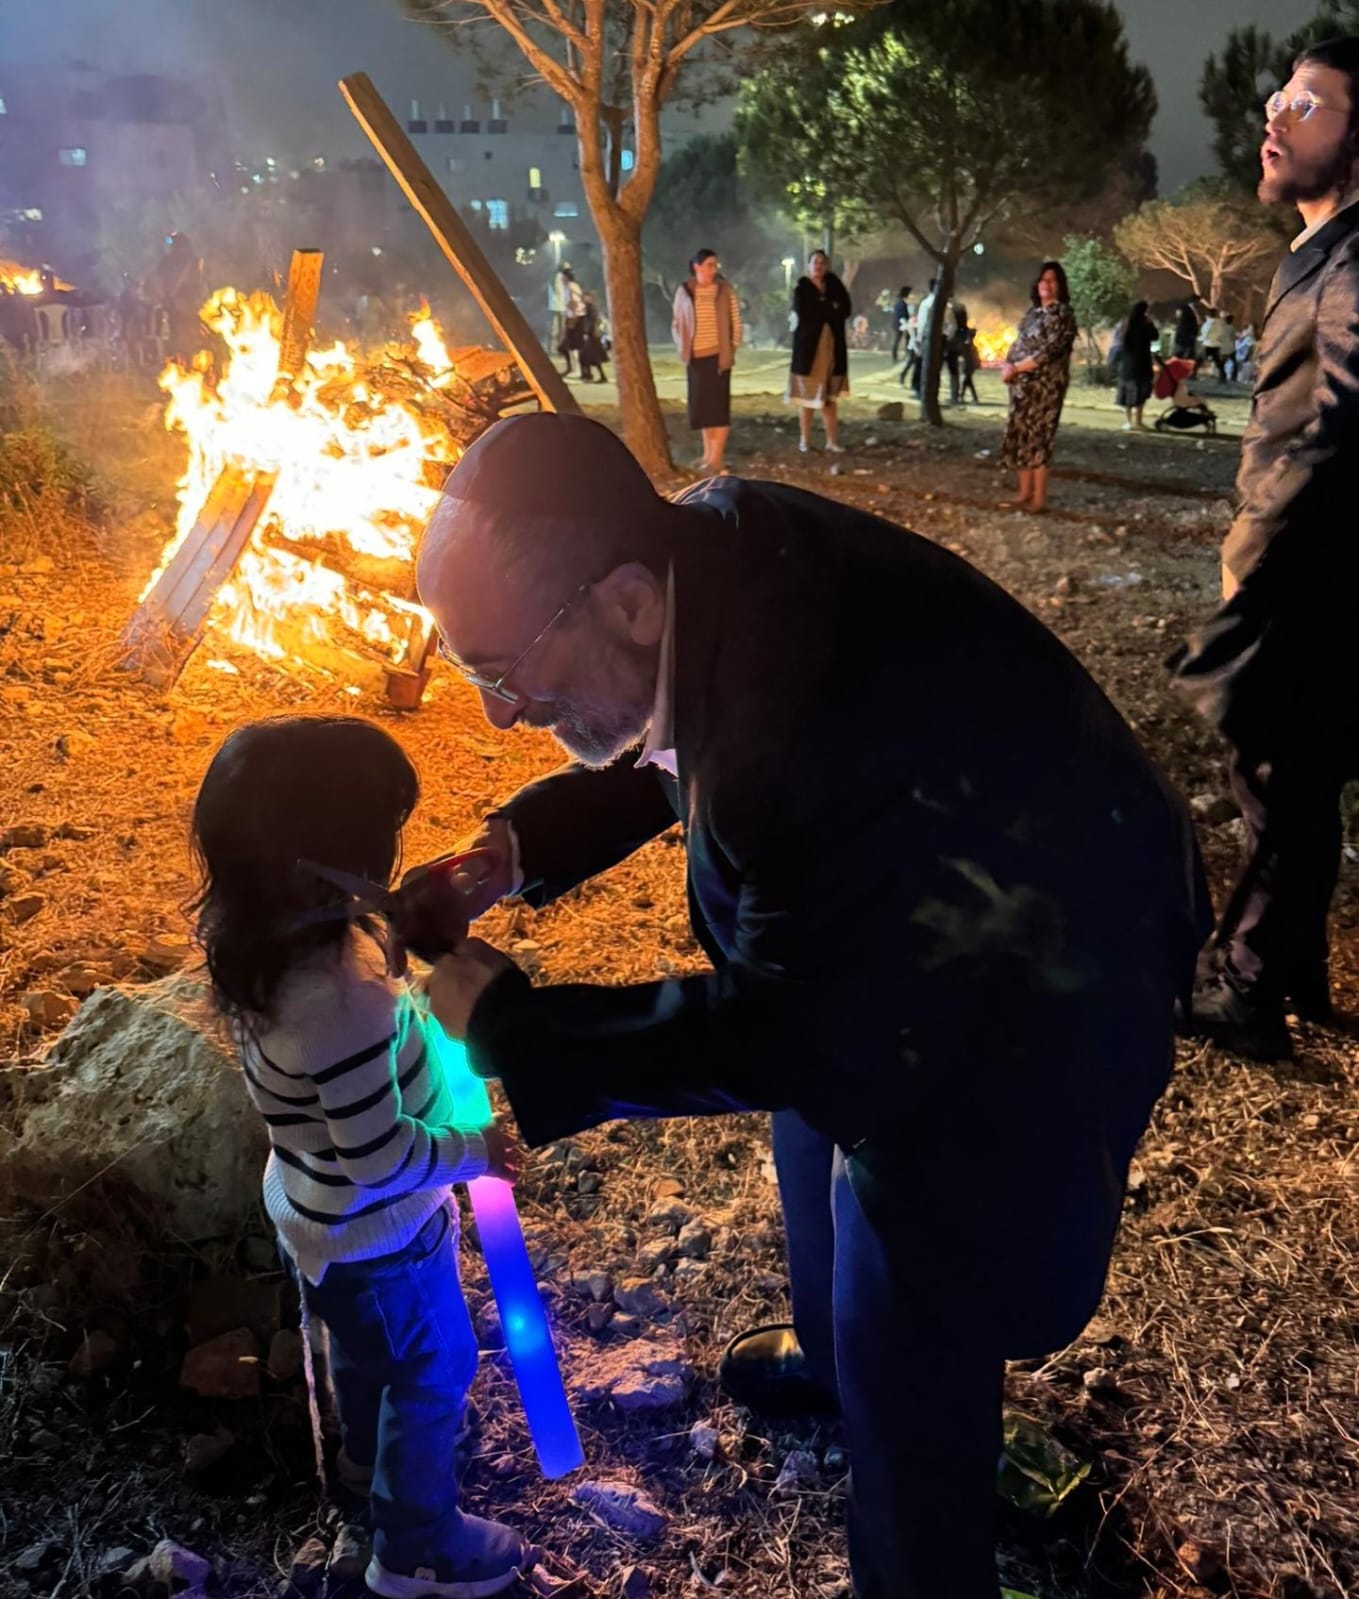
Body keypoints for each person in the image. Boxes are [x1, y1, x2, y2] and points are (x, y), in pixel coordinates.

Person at [409, 410, 1209, 1599]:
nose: (498, 711)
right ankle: (833, 1360)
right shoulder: (714, 555)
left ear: (624, 601)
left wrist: (523, 1028)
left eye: (501, 670)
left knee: (915, 1273)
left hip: (1047, 958)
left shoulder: (791, 737)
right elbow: (666, 736)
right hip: (945, 892)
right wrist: (514, 848)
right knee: (811, 1151)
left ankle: (918, 1557)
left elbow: (808, 1038)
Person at [189, 716, 536, 1599]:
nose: (393, 852)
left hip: (316, 1219)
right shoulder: (340, 1001)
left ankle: (361, 1461)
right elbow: (380, 1157)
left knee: (368, 1352)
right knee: (434, 1367)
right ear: (329, 859)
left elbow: (347, 1046)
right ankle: (417, 1545)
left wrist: (402, 942)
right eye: (384, 836)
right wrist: (476, 1151)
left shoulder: (259, 949)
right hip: (378, 1228)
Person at [1173, 34, 1359, 1061]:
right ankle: (1291, 977)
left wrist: (1257, 552)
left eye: (1309, 106)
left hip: (1313, 575)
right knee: (1297, 777)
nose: (1276, 122)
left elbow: (1337, 431)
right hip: (1312, 570)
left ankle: (1246, 995)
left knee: (1277, 780)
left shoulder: (1354, 264)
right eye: (1279, 104)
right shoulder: (1322, 251)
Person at [999, 260, 1078, 513]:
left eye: (1053, 280)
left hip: (1045, 387)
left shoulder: (1063, 315)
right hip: (1021, 386)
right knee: (1021, 435)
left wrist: (1018, 368)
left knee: (1040, 438)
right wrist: (1006, 365)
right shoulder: (1032, 314)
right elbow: (1018, 342)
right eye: (1044, 279)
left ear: (1060, 285)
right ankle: (1023, 492)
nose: (1047, 284)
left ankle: (1039, 498)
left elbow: (1050, 351)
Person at [672, 247, 742, 474]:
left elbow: (735, 321)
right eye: (709, 265)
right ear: (697, 266)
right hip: (696, 358)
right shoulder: (685, 291)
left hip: (718, 357)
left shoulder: (724, 290)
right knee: (703, 409)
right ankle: (706, 455)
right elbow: (677, 322)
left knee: (718, 408)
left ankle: (716, 458)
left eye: (715, 265)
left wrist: (732, 347)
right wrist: (682, 346)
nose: (713, 270)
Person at [787, 249, 851, 454]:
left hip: (832, 349)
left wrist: (828, 308)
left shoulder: (834, 286)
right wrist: (828, 308)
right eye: (815, 262)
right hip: (809, 352)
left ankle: (832, 441)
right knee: (806, 399)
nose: (819, 266)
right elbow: (807, 314)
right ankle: (804, 440)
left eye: (822, 262)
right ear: (808, 265)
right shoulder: (802, 289)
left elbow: (845, 309)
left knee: (829, 399)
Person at [1115, 300, 1157, 429]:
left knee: (1128, 394)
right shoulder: (1145, 324)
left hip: (1127, 364)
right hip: (1142, 363)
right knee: (1140, 395)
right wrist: (1151, 323)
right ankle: (1138, 421)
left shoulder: (1126, 324)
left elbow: (1119, 339)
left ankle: (1128, 421)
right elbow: (1155, 336)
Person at [946, 302, 980, 404]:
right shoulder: (965, 332)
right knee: (967, 380)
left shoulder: (962, 334)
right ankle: (963, 397)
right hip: (969, 360)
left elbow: (965, 345)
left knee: (965, 379)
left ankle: (960, 397)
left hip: (968, 360)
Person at [556, 266, 586, 376]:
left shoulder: (570, 287)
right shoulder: (573, 286)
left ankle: (578, 369)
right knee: (570, 346)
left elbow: (573, 303)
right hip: (575, 317)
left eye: (562, 277)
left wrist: (572, 319)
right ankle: (576, 369)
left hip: (575, 318)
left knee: (574, 346)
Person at [577, 290, 609, 383]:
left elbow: (591, 321)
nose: (585, 298)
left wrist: (587, 332)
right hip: (593, 335)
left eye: (587, 297)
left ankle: (589, 375)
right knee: (592, 358)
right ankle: (590, 375)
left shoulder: (590, 307)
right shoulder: (591, 307)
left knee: (586, 356)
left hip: (592, 335)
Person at [1199, 305, 1228, 380]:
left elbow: (1205, 333)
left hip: (1207, 344)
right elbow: (1222, 333)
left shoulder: (1207, 324)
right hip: (1216, 344)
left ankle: (1193, 373)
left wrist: (1201, 339)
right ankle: (1223, 375)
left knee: (1200, 358)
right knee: (1218, 361)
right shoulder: (1220, 324)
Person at [1174, 296, 1201, 363]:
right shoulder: (1186, 309)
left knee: (1187, 352)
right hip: (1186, 335)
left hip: (1187, 335)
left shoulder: (1188, 309)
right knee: (1184, 352)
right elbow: (1184, 323)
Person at [890, 284, 912, 363]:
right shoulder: (902, 303)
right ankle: (902, 355)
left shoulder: (899, 302)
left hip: (899, 324)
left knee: (899, 340)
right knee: (900, 339)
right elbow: (902, 315)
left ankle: (897, 356)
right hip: (900, 325)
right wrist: (906, 324)